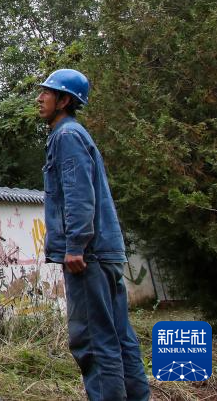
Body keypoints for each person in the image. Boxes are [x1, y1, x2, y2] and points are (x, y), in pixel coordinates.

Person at [36, 69, 151, 401]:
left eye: (48, 93)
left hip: (88, 256)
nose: (40, 98)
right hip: (105, 252)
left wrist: (75, 245)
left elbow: (78, 194)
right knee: (118, 336)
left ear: (65, 100)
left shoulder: (66, 136)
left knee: (93, 340)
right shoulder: (75, 134)